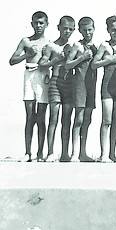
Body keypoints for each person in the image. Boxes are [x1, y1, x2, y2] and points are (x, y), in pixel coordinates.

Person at [8, 10, 50, 161]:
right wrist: (27, 54)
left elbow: (53, 61)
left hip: (43, 77)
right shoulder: (26, 41)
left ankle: (40, 153)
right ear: (31, 23)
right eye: (36, 23)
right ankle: (28, 152)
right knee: (30, 116)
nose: (38, 26)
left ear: (46, 24)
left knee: (41, 117)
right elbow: (12, 60)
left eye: (41, 23)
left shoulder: (49, 43)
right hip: (29, 76)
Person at [39, 15, 76, 162]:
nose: (67, 31)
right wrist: (56, 60)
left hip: (69, 83)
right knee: (53, 118)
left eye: (70, 29)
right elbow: (42, 63)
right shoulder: (51, 46)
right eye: (64, 28)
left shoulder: (74, 46)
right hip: (55, 82)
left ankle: (65, 153)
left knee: (66, 119)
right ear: (58, 28)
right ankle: (50, 152)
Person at [92, 15, 116, 162]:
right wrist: (109, 60)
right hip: (107, 87)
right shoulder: (105, 46)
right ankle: (103, 154)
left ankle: (112, 153)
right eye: (113, 30)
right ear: (108, 30)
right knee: (107, 120)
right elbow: (94, 64)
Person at [64, 17, 98, 162]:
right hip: (79, 84)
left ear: (94, 29)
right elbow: (67, 64)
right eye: (84, 30)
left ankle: (83, 152)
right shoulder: (78, 45)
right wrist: (82, 57)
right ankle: (74, 153)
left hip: (91, 84)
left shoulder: (96, 47)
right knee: (78, 118)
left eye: (90, 29)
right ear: (79, 30)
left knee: (87, 119)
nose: (88, 33)